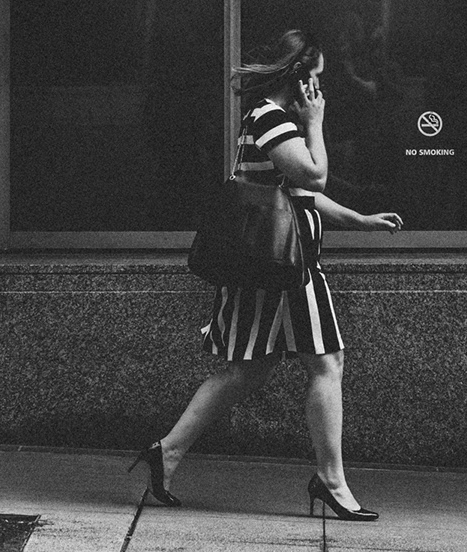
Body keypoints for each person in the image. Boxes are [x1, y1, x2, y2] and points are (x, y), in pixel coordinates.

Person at [144, 29, 404, 522]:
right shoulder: (271, 118)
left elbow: (300, 194)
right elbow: (314, 176)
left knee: (248, 370)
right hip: (283, 267)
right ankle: (330, 481)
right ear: (299, 77)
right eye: (317, 78)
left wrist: (360, 220)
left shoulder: (274, 119)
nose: (320, 90)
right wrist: (316, 123)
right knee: (325, 363)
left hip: (280, 265)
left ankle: (168, 451)